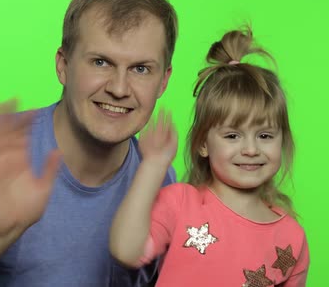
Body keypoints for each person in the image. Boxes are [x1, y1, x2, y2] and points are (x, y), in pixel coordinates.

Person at [0, 0, 178, 286]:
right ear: (63, 66)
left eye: (140, 69)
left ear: (163, 81)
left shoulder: (162, 182)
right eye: (100, 62)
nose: (119, 89)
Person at [110, 27, 310, 286]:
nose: (251, 149)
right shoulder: (180, 203)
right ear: (203, 143)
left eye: (265, 136)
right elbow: (125, 251)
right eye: (232, 136)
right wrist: (153, 166)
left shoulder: (291, 237)